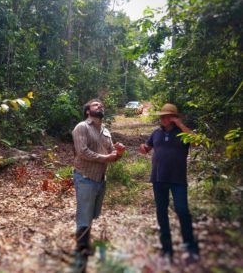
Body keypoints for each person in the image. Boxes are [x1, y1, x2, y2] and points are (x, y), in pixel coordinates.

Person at [139, 103, 199, 262]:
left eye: (168, 115)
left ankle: (190, 246)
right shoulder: (156, 133)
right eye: (162, 115)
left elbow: (196, 142)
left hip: (177, 179)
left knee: (182, 211)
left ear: (174, 117)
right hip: (158, 179)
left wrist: (180, 124)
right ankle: (167, 249)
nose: (164, 118)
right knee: (161, 212)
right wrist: (144, 149)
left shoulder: (182, 133)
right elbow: (147, 147)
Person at [72, 99, 125, 257]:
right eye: (95, 105)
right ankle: (81, 249)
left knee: (93, 213)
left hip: (100, 178)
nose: (100, 106)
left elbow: (112, 156)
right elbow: (82, 152)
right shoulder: (82, 127)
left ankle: (84, 241)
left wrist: (119, 153)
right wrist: (106, 158)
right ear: (88, 111)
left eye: (101, 105)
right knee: (84, 214)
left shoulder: (106, 131)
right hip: (85, 177)